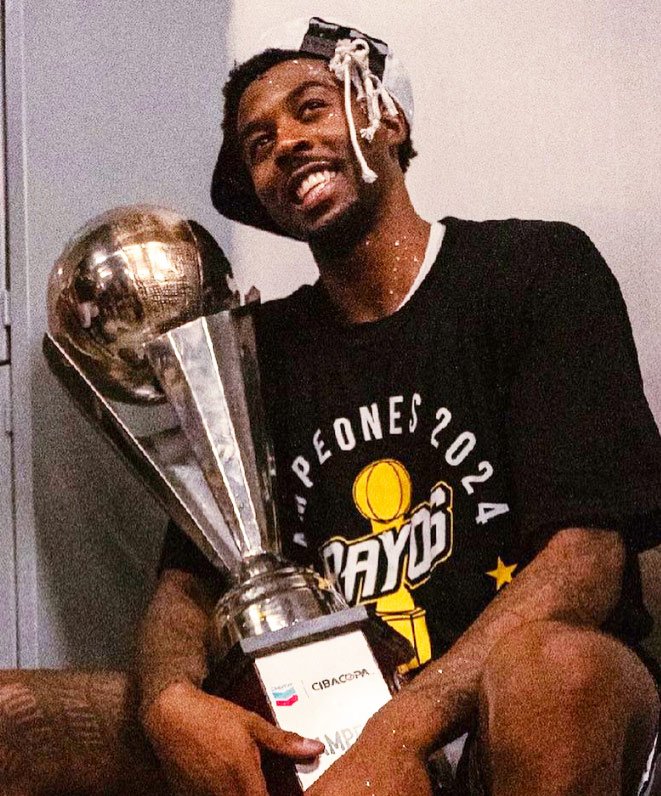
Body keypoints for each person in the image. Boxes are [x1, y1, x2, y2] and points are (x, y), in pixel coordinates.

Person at [1, 15, 660, 796]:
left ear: (388, 120)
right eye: (258, 143)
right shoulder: (259, 351)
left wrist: (397, 734)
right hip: (324, 716)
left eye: (310, 108)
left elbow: (585, 562)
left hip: (503, 701)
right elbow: (185, 589)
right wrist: (172, 703)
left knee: (551, 669)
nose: (284, 142)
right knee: (14, 717)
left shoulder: (532, 270)